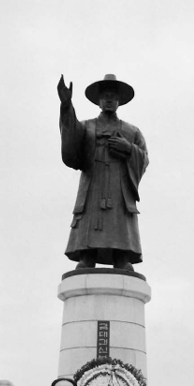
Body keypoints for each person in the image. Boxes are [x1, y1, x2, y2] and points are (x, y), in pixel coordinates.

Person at [58, 73, 149, 271]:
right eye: (105, 95)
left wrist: (129, 149)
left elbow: (144, 158)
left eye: (113, 96)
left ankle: (121, 255)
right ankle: (87, 253)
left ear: (119, 101)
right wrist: (66, 107)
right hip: (94, 180)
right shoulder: (86, 127)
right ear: (98, 100)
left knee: (119, 216)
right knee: (90, 214)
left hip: (119, 183)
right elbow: (72, 144)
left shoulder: (132, 131)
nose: (109, 99)